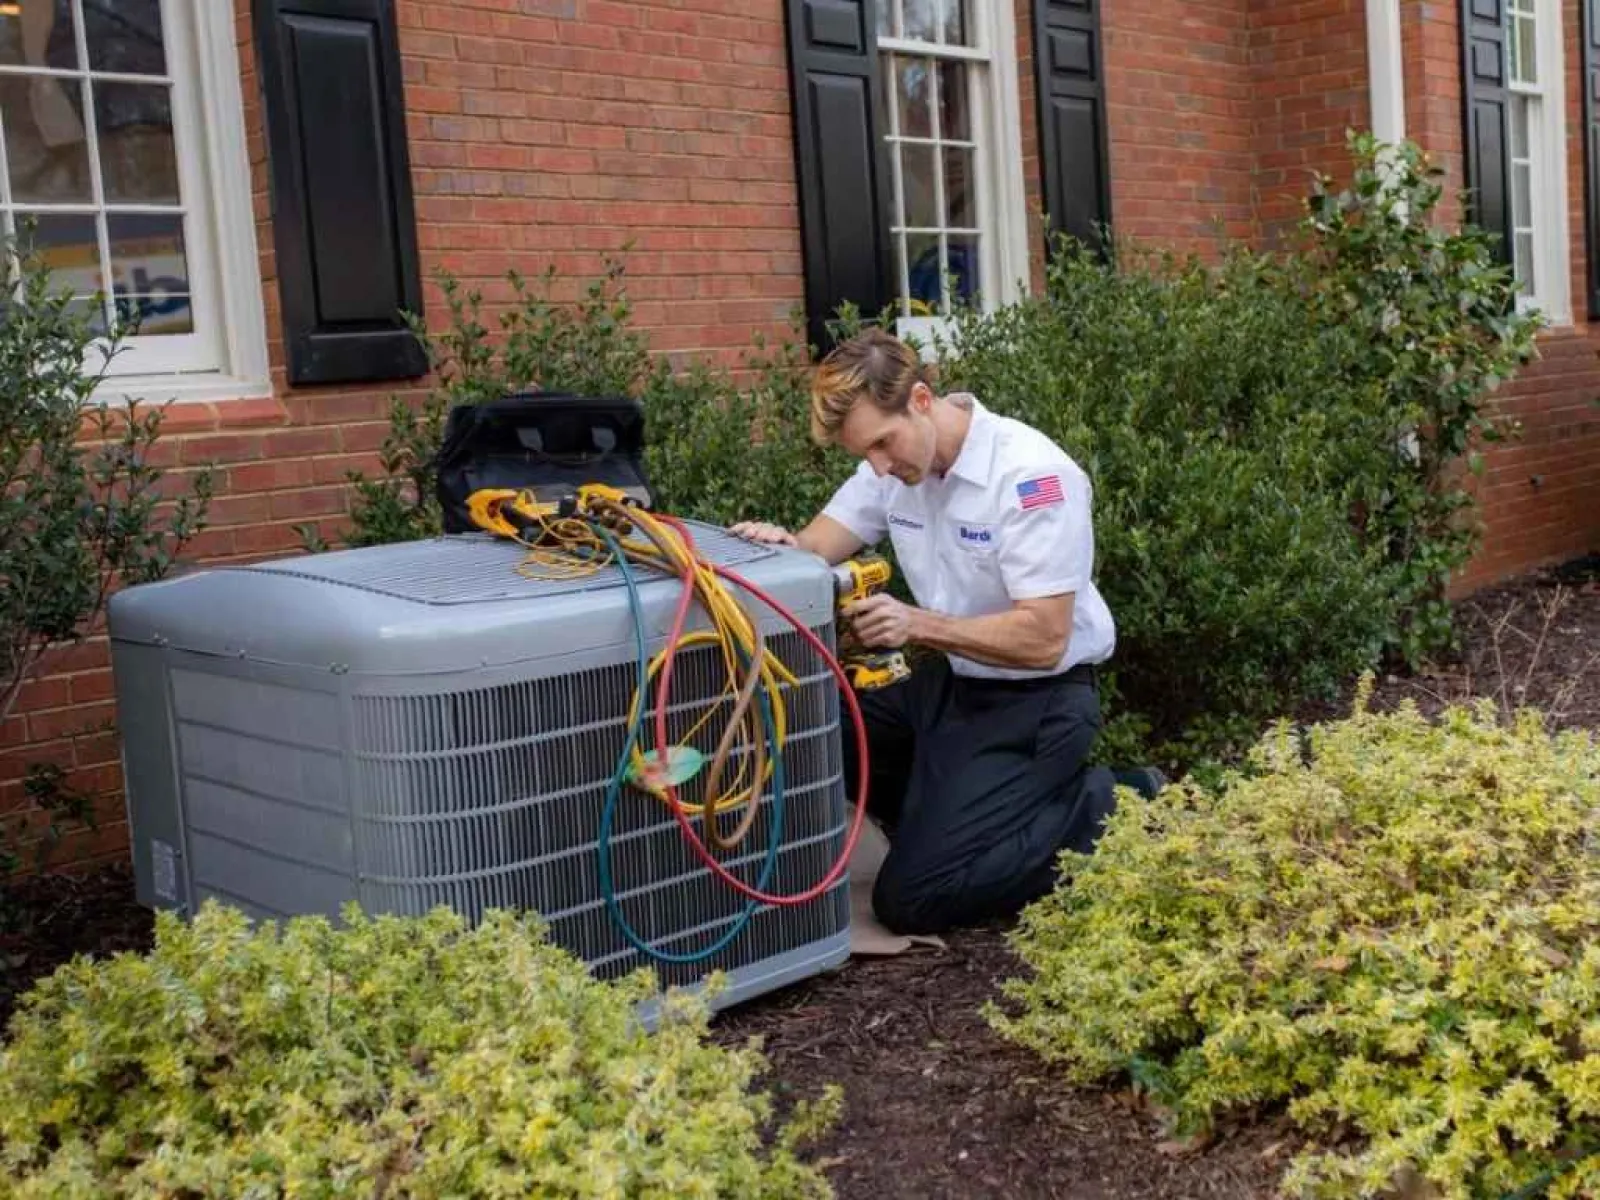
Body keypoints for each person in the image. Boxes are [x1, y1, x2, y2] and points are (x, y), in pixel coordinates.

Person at [731, 328, 1161, 936]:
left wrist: (914, 623)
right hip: (956, 689)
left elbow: (1045, 639)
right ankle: (954, 822)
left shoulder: (1031, 476)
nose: (878, 465)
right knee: (809, 721)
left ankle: (1113, 801)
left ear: (923, 400)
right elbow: (814, 547)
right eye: (865, 454)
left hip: (1040, 704)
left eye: (883, 443)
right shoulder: (895, 467)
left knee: (911, 899)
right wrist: (780, 547)